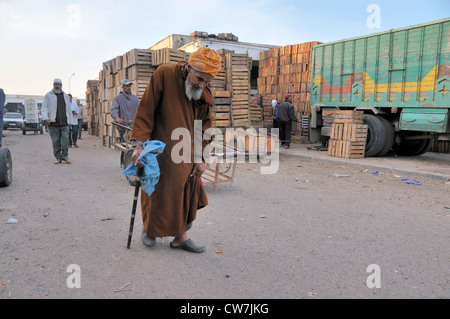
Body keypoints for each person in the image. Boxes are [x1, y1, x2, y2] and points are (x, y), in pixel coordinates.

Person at [130, 47, 221, 253]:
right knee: (157, 188)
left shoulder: (202, 91)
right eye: (199, 79)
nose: (201, 85)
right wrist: (138, 144)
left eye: (207, 82)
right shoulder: (164, 74)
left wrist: (201, 156)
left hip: (187, 149)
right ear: (189, 67)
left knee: (185, 190)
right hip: (161, 146)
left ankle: (180, 237)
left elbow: (205, 125)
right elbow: (146, 109)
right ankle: (150, 230)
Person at [41, 79, 73, 164]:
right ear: (53, 85)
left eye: (59, 84)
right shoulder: (48, 95)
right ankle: (58, 158)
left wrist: (70, 122)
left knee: (65, 141)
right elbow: (44, 108)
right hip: (53, 123)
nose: (57, 86)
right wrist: (45, 118)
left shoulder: (65, 96)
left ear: (61, 85)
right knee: (56, 142)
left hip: (64, 123)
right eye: (56, 84)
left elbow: (69, 109)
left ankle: (65, 156)